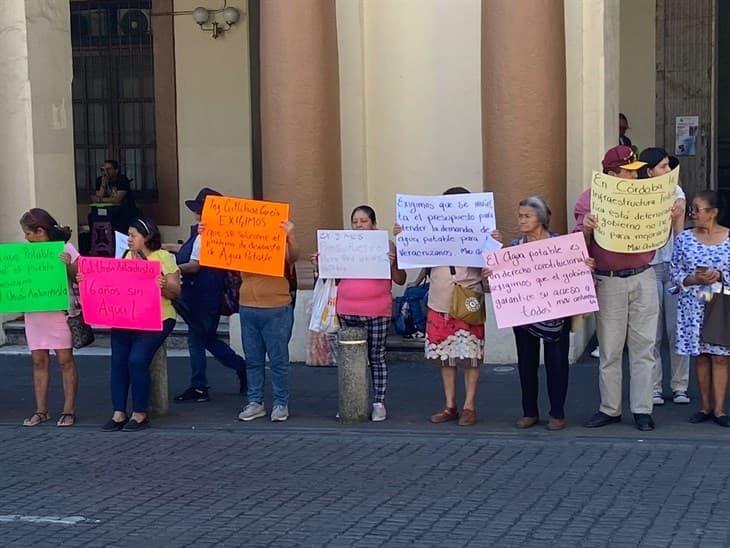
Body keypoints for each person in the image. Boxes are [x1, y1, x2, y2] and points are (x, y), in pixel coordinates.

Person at [396, 187, 501, 427]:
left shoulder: (480, 231)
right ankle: (450, 404)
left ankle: (469, 406)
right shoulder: (432, 230)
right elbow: (417, 251)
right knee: (446, 357)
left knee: (471, 356)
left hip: (468, 297)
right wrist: (404, 234)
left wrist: (494, 242)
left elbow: (493, 261)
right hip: (439, 299)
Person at [486, 197, 593, 431]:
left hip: (556, 315)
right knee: (526, 363)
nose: (521, 220)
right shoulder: (514, 247)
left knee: (557, 364)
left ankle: (557, 413)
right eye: (520, 215)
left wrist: (585, 265)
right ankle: (529, 412)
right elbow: (502, 276)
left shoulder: (560, 244)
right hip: (524, 315)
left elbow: (575, 270)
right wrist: (492, 271)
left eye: (527, 216)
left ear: (541, 219)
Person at [574, 145, 660, 431]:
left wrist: (671, 218)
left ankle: (642, 409)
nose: (635, 178)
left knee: (644, 347)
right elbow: (576, 247)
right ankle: (609, 408)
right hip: (608, 278)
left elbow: (660, 236)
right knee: (610, 349)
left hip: (643, 275)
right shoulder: (588, 200)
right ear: (611, 173)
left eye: (636, 173)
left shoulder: (648, 195)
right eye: (628, 172)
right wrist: (585, 229)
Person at [313, 206, 406, 421]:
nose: (358, 225)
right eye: (355, 221)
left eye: (363, 221)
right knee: (350, 359)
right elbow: (331, 278)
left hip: (377, 311)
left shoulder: (386, 245)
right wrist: (321, 265)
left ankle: (378, 402)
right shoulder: (342, 245)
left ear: (373, 223)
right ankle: (352, 400)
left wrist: (392, 263)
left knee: (376, 356)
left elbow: (400, 279)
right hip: (347, 309)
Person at [98, 218, 180, 431]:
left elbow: (175, 292)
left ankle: (140, 413)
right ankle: (118, 412)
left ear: (147, 237)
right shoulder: (125, 256)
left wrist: (162, 285)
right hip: (127, 317)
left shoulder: (163, 257)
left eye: (133, 235)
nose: (129, 239)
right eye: (128, 235)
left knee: (136, 360)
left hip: (158, 317)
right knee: (118, 361)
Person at [172, 188, 247, 403]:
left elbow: (195, 265)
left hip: (202, 294)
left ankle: (199, 386)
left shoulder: (210, 235)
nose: (196, 214)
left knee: (198, 340)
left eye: (200, 210)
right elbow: (189, 253)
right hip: (202, 294)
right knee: (205, 339)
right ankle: (238, 367)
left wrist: (173, 269)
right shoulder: (204, 233)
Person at [671, 191, 730, 427]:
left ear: (713, 212)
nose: (693, 214)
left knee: (721, 357)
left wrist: (722, 275)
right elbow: (675, 272)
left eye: (698, 209)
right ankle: (704, 406)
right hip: (693, 304)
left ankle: (720, 409)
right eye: (692, 209)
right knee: (701, 356)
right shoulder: (684, 239)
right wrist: (692, 280)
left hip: (721, 304)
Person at [19, 209, 80, 427]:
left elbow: (80, 278)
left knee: (65, 360)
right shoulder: (26, 254)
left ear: (40, 231)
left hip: (60, 312)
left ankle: (69, 409)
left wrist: (68, 265)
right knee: (38, 360)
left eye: (28, 233)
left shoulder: (65, 248)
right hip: (35, 313)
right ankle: (41, 410)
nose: (26, 238)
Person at [234, 217, 299, 422]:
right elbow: (219, 255)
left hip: (276, 308)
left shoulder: (278, 245)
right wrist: (207, 234)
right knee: (253, 360)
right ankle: (256, 402)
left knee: (278, 360)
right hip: (248, 307)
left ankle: (281, 403)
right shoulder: (242, 245)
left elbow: (293, 257)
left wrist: (291, 236)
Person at [638, 149, 690, 406]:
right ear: (648, 172)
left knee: (676, 328)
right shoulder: (633, 195)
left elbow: (679, 238)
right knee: (652, 331)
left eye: (669, 166)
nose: (668, 172)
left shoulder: (676, 192)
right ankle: (655, 386)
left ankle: (680, 386)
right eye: (662, 167)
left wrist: (676, 218)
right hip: (647, 267)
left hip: (672, 264)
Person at [90, 160, 139, 233]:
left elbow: (117, 199)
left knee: (118, 218)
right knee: (92, 216)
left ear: (116, 170)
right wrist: (103, 184)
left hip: (123, 209)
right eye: (103, 169)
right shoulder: (100, 180)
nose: (105, 172)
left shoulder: (122, 179)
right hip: (108, 209)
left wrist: (100, 200)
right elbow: (99, 196)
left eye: (108, 169)